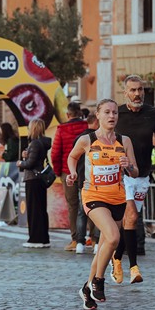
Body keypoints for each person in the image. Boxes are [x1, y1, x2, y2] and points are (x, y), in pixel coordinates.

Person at [66, 99, 139, 310]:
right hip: (93, 196)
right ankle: (98, 281)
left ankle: (86, 290)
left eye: (115, 112)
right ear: (97, 115)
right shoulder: (87, 139)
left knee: (104, 248)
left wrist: (129, 166)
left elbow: (135, 171)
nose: (112, 116)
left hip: (117, 198)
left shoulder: (124, 141)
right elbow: (72, 157)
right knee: (114, 237)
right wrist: (72, 173)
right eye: (107, 112)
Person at [113, 74, 155, 283]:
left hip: (143, 174)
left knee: (129, 221)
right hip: (121, 175)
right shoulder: (117, 114)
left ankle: (116, 258)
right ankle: (134, 267)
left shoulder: (153, 113)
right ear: (125, 92)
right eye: (133, 90)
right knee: (132, 216)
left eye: (140, 90)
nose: (137, 94)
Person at [50, 102, 88, 252]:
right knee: (90, 204)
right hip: (86, 169)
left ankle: (75, 239)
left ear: (68, 114)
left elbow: (56, 153)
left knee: (72, 205)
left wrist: (58, 172)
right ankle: (94, 237)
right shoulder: (87, 127)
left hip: (68, 171)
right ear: (79, 113)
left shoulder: (62, 129)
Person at [17, 118, 52, 248]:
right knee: (41, 209)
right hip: (39, 179)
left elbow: (31, 164)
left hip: (33, 178)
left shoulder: (35, 143)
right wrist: (27, 155)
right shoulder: (42, 143)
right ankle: (43, 238)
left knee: (34, 210)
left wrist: (21, 162)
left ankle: (35, 239)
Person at [74, 113, 100, 254]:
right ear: (96, 121)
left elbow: (73, 158)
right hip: (96, 179)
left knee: (82, 212)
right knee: (98, 212)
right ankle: (96, 242)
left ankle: (80, 243)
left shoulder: (79, 138)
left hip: (82, 179)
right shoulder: (98, 138)